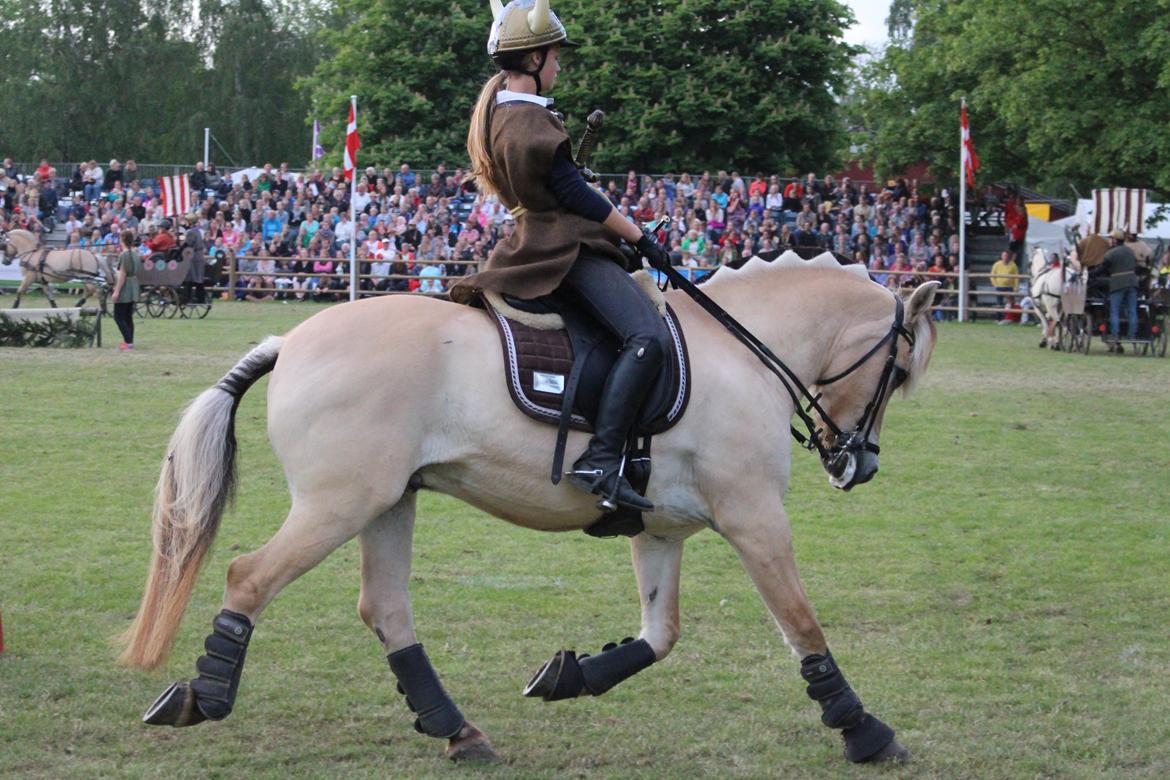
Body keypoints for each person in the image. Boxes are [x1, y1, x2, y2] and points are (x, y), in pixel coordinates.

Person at [450, 0, 672, 513]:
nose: (559, 65)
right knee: (646, 337)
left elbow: (562, 184)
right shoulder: (527, 123)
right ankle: (600, 456)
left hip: (540, 234)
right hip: (561, 246)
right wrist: (641, 238)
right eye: (555, 55)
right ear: (533, 60)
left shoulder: (505, 112)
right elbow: (577, 197)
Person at [1102, 228, 1138, 352]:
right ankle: (1132, 334)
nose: (1109, 241)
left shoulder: (1110, 253)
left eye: (1111, 238)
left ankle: (1115, 335)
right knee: (1132, 310)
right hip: (1132, 282)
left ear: (1115, 240)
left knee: (1114, 310)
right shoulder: (1130, 251)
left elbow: (1103, 269)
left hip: (1117, 283)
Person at [110, 229, 140, 351]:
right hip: (133, 284)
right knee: (128, 316)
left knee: (119, 316)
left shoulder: (124, 255)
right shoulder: (134, 253)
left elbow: (122, 274)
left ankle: (128, 342)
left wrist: (116, 291)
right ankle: (130, 341)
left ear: (122, 239)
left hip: (126, 286)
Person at [989, 250, 1018, 322]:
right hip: (999, 287)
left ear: (1009, 257)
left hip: (1009, 287)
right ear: (1001, 256)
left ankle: (1010, 318)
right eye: (1004, 255)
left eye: (1007, 256)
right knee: (999, 303)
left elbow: (1017, 277)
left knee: (1010, 303)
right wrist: (995, 284)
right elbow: (992, 276)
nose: (1005, 257)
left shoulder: (1013, 265)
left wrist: (1015, 287)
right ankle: (998, 318)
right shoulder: (996, 264)